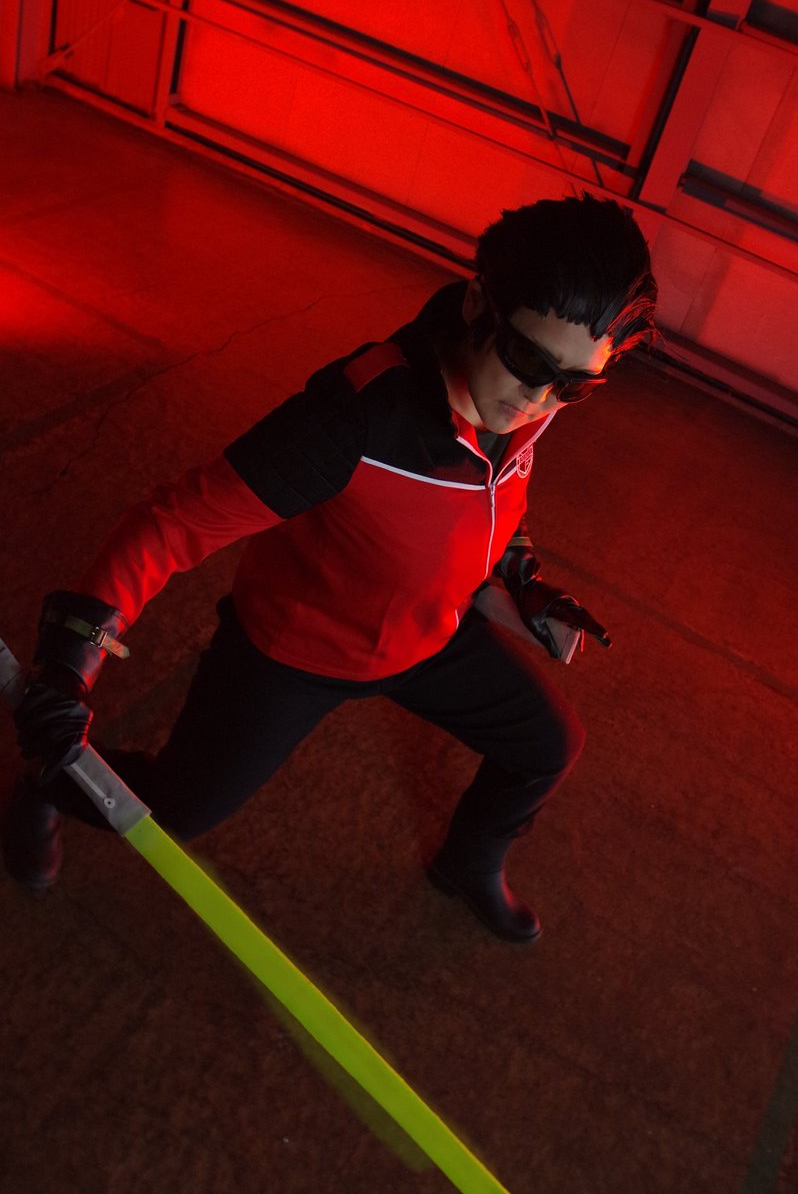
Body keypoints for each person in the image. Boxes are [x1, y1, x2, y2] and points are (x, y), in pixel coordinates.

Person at [2, 194, 657, 943]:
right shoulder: (349, 422)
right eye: (530, 362)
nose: (539, 399)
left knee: (548, 746)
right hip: (294, 655)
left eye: (574, 386)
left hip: (427, 634)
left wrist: (520, 579)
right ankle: (47, 785)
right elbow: (174, 525)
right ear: (478, 302)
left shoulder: (523, 398)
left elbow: (491, 495)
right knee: (178, 809)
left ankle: (470, 861)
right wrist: (71, 664)